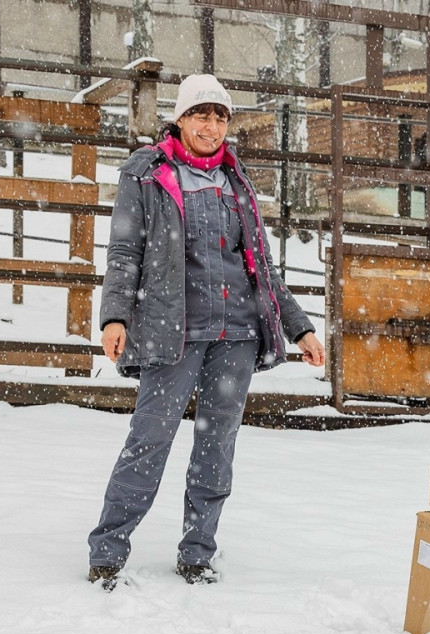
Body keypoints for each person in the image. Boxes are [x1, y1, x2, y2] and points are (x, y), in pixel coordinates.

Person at [87, 74, 325, 590]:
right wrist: (115, 316)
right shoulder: (147, 175)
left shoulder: (236, 181)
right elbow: (125, 252)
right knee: (149, 440)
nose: (211, 126)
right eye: (201, 114)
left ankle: (197, 553)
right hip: (172, 331)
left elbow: (260, 263)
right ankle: (107, 551)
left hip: (236, 334)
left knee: (217, 445)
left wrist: (299, 328)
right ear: (180, 119)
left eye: (220, 116)